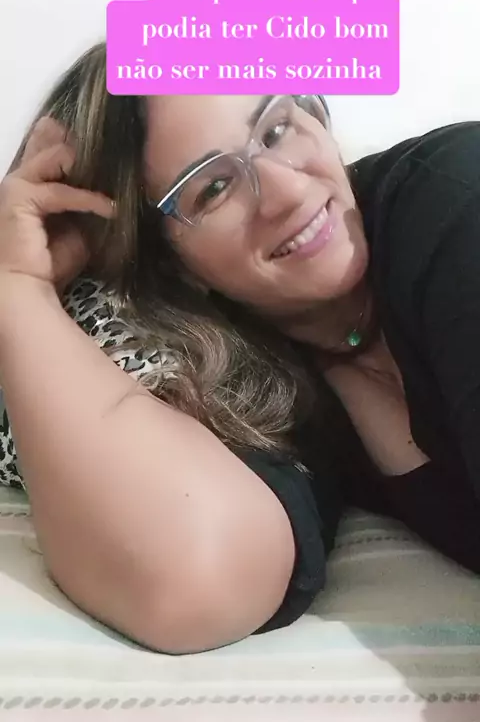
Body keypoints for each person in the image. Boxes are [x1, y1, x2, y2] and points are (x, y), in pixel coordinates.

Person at [1, 43, 480, 654]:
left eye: (276, 130)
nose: (286, 191)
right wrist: (19, 288)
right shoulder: (264, 372)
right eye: (215, 188)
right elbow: (195, 582)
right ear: (171, 266)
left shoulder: (455, 197)